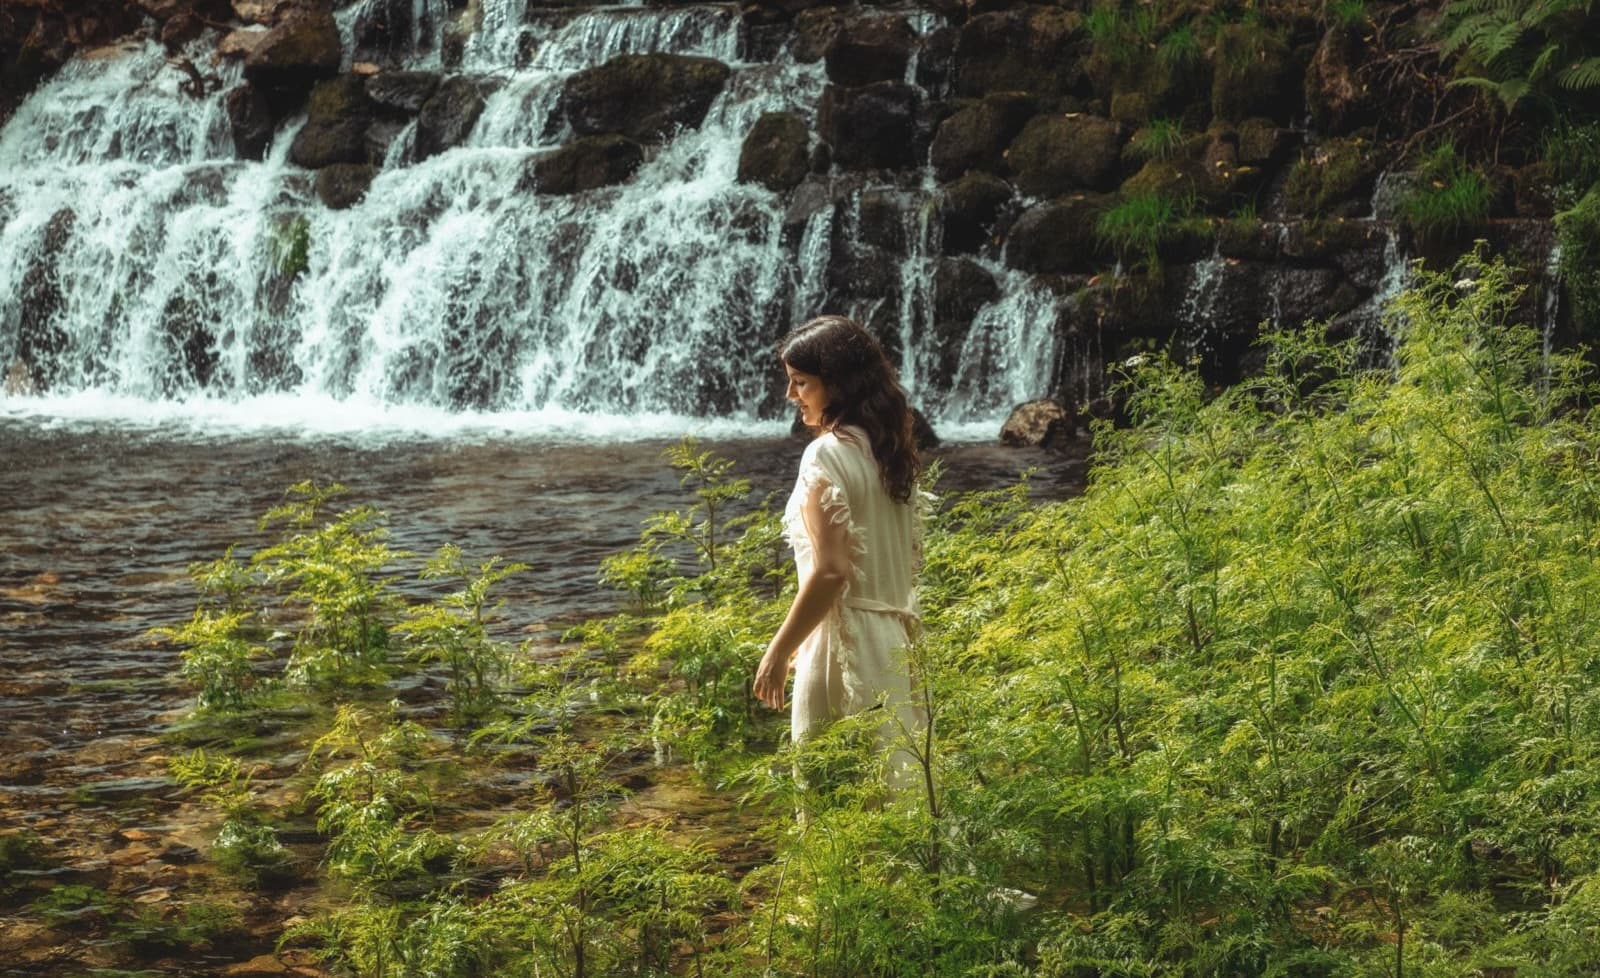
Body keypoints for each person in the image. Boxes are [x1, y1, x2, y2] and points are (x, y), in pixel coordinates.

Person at [752, 315, 926, 776]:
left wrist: (778, 651)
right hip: (894, 641)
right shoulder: (889, 451)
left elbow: (831, 571)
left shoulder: (826, 453)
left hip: (838, 645)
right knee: (897, 793)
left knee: (830, 801)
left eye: (801, 383)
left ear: (838, 385)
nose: (792, 396)